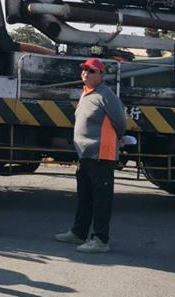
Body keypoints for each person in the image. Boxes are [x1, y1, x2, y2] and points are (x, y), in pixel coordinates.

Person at [54, 58, 127, 254]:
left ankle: (101, 240)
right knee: (85, 197)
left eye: (91, 70)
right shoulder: (86, 94)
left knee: (101, 200)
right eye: (84, 70)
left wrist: (115, 140)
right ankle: (79, 233)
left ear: (101, 75)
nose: (86, 73)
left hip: (101, 155)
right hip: (85, 155)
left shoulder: (106, 95)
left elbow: (120, 121)